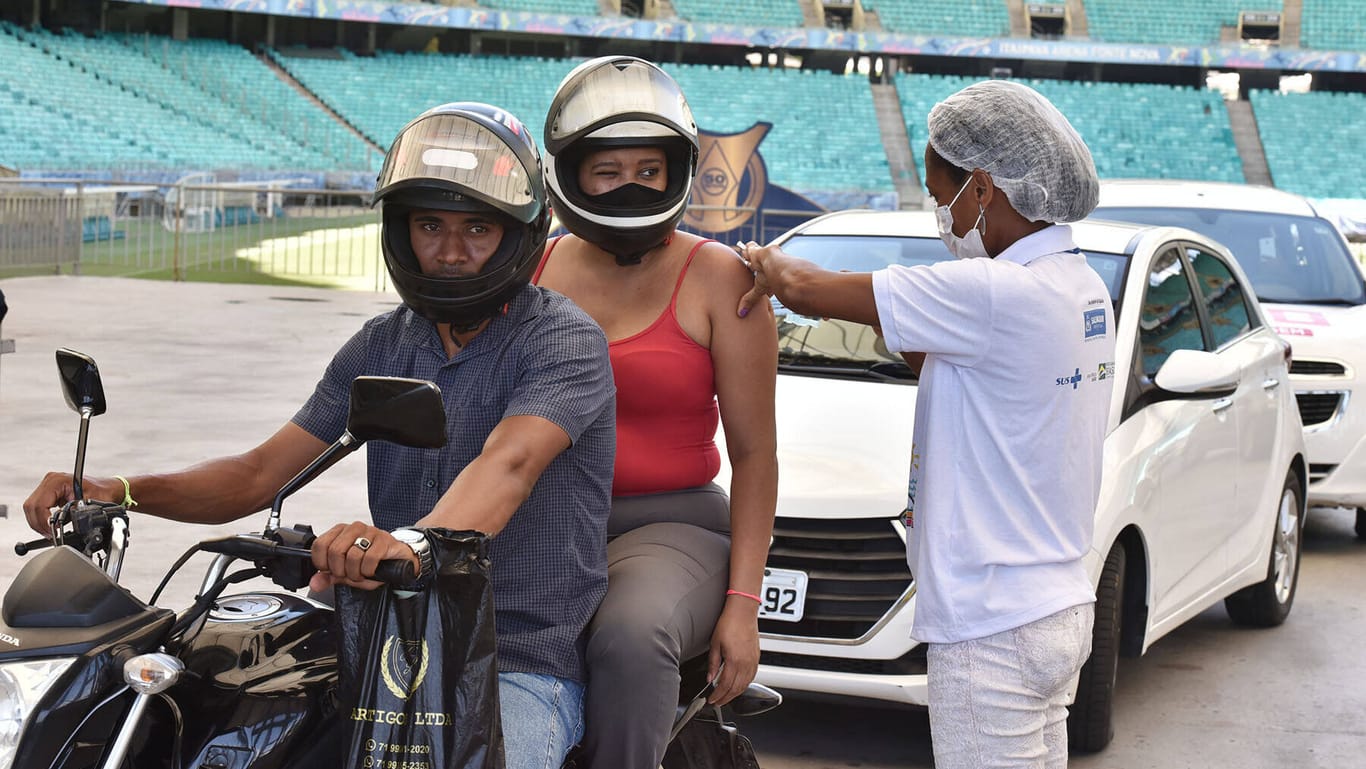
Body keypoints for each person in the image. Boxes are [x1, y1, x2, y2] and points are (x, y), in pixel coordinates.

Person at [23, 102, 616, 769]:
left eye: (477, 227)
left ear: (518, 235)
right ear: (402, 230)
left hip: (513, 659)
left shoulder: (563, 343)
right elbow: (258, 472)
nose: (451, 251)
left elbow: (507, 466)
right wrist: (119, 490)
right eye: (430, 225)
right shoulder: (383, 343)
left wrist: (408, 542)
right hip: (382, 639)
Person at [736, 80, 1116, 768]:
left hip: (991, 626)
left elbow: (805, 289)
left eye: (941, 196)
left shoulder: (991, 292)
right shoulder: (1080, 286)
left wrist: (754, 259)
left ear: (983, 188)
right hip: (1057, 606)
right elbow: (956, 364)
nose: (940, 214)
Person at [533, 55, 778, 769]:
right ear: (572, 173)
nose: (630, 184)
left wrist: (743, 602)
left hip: (673, 524)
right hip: (546, 517)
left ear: (677, 172)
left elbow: (756, 455)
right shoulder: (533, 269)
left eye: (649, 167)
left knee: (632, 634)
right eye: (608, 170)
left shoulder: (722, 277)